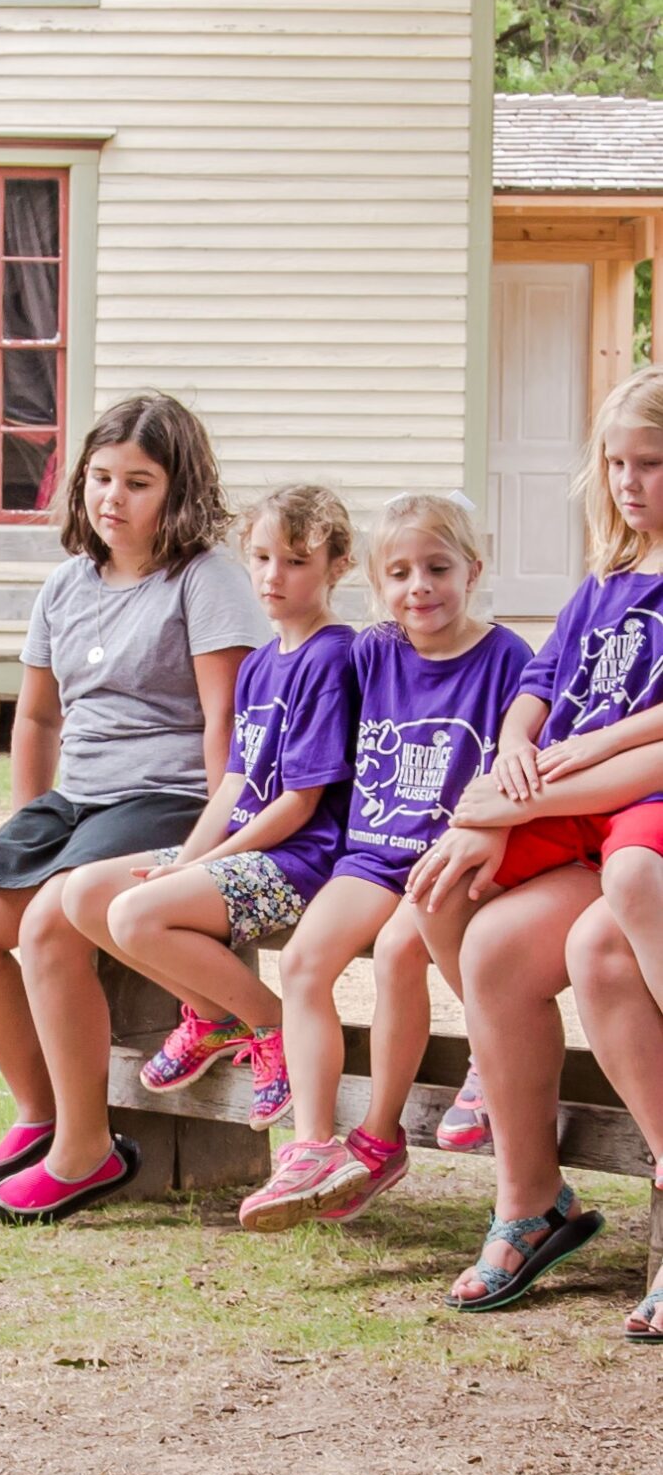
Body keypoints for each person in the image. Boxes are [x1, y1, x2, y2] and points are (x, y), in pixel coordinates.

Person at [0, 393, 263, 1226]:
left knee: (49, 923)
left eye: (139, 481)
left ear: (178, 490)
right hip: (74, 800)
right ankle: (41, 1114)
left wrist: (209, 844)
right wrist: (29, 823)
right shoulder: (66, 585)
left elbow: (228, 722)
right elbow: (39, 717)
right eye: (101, 477)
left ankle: (88, 1152)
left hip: (167, 796)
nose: (113, 497)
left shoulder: (205, 582)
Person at [409, 365, 663, 1314]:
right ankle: (531, 1198)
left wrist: (526, 797)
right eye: (616, 463)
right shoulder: (605, 580)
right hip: (570, 804)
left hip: (631, 813)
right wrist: (516, 751)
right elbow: (542, 685)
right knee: (448, 897)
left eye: (652, 463)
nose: (630, 483)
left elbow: (649, 750)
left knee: (600, 941)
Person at [235, 492, 531, 1230]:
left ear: (474, 569)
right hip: (369, 854)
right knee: (303, 963)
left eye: (437, 568)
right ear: (375, 583)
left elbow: (521, 761)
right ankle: (311, 1147)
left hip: (453, 858)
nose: (418, 587)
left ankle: (387, 1132)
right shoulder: (372, 653)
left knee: (402, 949)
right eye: (398, 573)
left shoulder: (505, 658)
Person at [62, 485, 359, 1169]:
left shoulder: (331, 658)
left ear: (337, 565)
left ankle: (271, 1025)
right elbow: (235, 782)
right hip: (242, 852)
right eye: (260, 558)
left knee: (136, 918)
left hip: (300, 862)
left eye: (295, 561)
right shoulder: (260, 663)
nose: (272, 577)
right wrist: (189, 857)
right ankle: (214, 1018)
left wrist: (202, 865)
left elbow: (301, 804)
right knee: (85, 896)